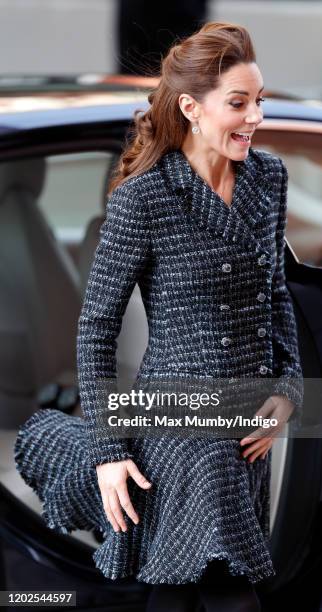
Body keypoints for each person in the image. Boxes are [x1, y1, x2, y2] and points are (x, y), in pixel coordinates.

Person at [14, 21, 304, 612]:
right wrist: (109, 452)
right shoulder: (145, 199)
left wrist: (290, 388)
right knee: (222, 591)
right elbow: (96, 331)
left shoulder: (268, 180)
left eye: (260, 102)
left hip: (247, 424)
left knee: (185, 591)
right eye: (239, 103)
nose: (256, 118)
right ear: (193, 108)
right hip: (176, 418)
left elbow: (277, 292)